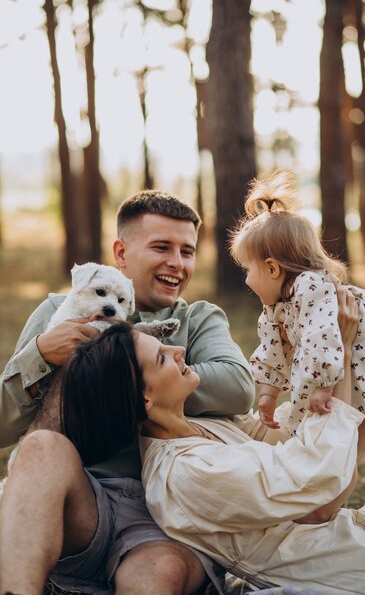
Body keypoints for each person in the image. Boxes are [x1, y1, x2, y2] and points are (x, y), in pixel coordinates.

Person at [58, 296, 365, 595]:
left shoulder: (203, 425)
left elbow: (294, 437)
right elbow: (318, 493)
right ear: (145, 399)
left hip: (360, 529)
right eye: (162, 358)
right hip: (350, 569)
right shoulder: (184, 475)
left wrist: (314, 344)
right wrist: (337, 356)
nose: (180, 350)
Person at [0, 190, 255, 595]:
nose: (177, 263)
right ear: (121, 252)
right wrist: (41, 356)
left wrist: (118, 374)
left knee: (158, 574)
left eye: (187, 251)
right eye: (161, 247)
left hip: (165, 516)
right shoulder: (58, 313)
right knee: (40, 448)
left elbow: (238, 387)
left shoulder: (199, 319)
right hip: (79, 500)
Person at [229, 169, 365, 444]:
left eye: (247, 270)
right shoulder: (278, 306)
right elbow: (271, 347)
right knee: (326, 446)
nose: (246, 280)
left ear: (272, 268)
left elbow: (323, 337)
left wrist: (323, 386)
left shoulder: (310, 288)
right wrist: (268, 393)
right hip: (341, 387)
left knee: (346, 456)